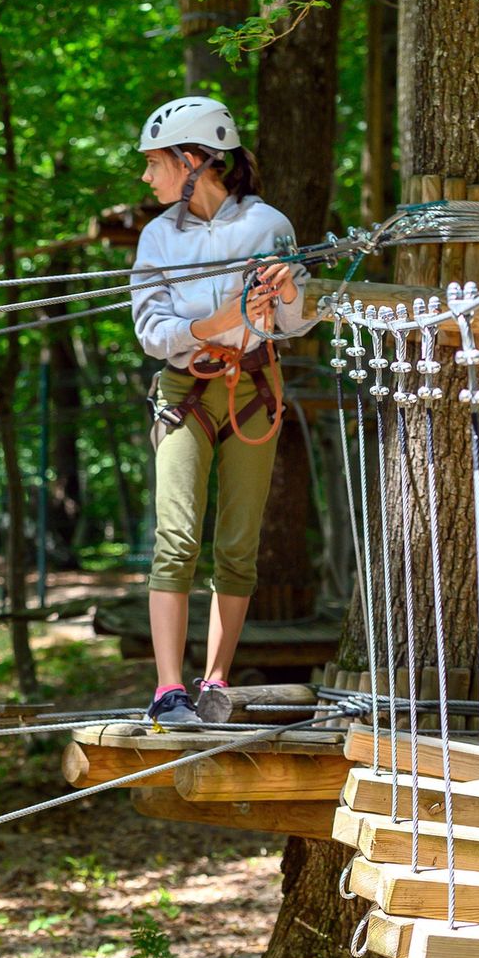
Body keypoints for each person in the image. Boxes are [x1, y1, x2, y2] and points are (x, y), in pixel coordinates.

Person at [129, 97, 312, 725]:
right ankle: (167, 689)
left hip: (254, 388)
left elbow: (294, 320)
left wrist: (286, 292)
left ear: (193, 161)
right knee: (175, 538)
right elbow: (152, 333)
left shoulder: (268, 227)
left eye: (155, 164)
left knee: (238, 545)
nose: (148, 178)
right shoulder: (157, 237)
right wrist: (219, 321)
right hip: (184, 392)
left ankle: (214, 680)